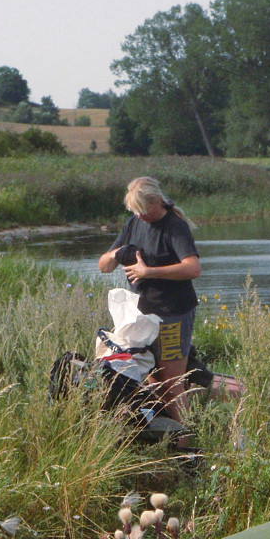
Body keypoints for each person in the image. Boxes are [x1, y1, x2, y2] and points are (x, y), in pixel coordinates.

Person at [98, 176, 201, 446]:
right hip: (141, 317)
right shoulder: (134, 223)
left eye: (144, 211)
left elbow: (193, 268)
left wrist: (148, 271)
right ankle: (167, 438)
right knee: (150, 377)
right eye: (136, 212)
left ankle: (188, 443)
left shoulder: (174, 227)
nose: (141, 217)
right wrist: (118, 253)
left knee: (171, 381)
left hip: (172, 314)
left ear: (157, 201)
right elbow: (103, 266)